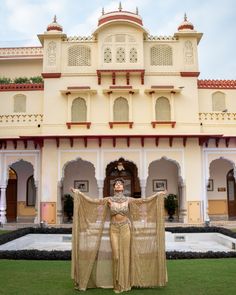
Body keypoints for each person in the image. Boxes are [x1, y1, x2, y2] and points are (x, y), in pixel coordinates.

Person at [71, 178, 167, 293]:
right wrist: (79, 193)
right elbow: (93, 201)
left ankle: (125, 284)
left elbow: (144, 201)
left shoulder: (129, 200)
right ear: (113, 187)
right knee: (116, 256)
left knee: (125, 256)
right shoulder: (108, 200)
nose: (118, 185)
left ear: (123, 187)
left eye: (120, 184)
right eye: (116, 184)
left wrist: (158, 195)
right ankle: (117, 283)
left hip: (126, 227)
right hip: (114, 228)